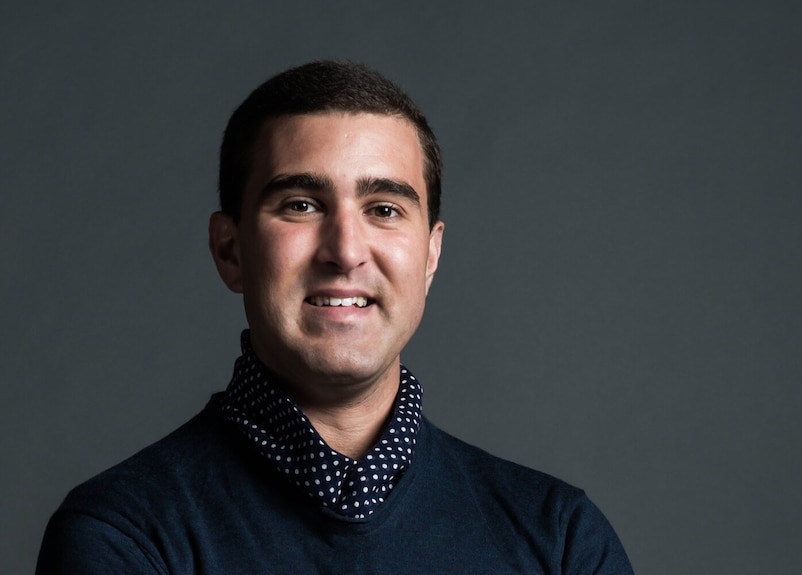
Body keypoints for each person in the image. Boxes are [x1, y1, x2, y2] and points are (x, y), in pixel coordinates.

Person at [36, 61, 634, 574]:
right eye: (301, 205)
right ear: (231, 251)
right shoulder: (123, 536)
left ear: (430, 255)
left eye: (384, 209)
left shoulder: (561, 540)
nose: (346, 250)